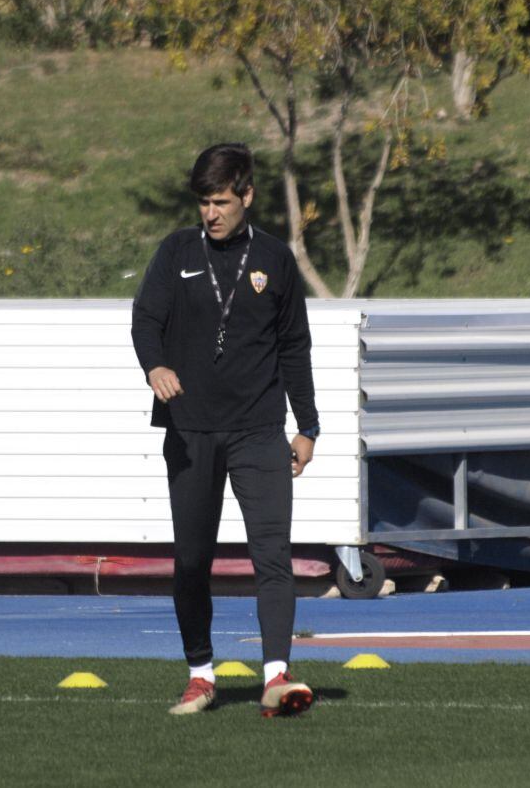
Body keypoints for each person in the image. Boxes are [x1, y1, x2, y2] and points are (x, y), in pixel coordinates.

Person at [131, 142, 320, 718]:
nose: (209, 214)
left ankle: (277, 675)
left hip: (259, 430)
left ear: (247, 196)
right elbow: (146, 319)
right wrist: (155, 366)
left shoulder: (275, 259)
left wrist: (307, 425)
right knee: (191, 559)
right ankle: (200, 674)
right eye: (202, 203)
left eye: (220, 201)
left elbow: (294, 346)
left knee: (273, 555)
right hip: (190, 431)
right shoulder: (176, 251)